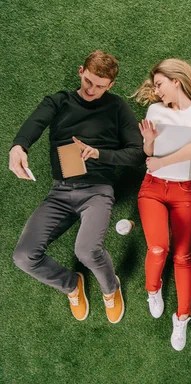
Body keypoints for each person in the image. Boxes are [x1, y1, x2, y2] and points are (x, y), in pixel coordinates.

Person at [9, 50, 145, 324]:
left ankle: (111, 288)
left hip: (97, 191)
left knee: (86, 251)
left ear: (111, 86)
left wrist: (99, 154)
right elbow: (35, 122)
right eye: (89, 82)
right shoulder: (59, 101)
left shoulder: (117, 107)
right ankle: (71, 284)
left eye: (100, 86)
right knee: (24, 256)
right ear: (81, 71)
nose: (92, 90)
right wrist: (18, 146)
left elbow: (137, 153)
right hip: (60, 193)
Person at [133, 59, 191, 350]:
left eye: (160, 84)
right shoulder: (155, 110)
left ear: (176, 80)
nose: (157, 91)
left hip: (185, 191)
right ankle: (153, 289)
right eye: (155, 86)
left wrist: (161, 160)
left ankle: (182, 318)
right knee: (158, 248)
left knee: (182, 257)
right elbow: (149, 153)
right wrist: (149, 142)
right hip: (152, 188)